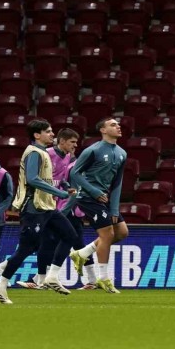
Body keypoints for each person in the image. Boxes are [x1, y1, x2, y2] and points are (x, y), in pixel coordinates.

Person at [0, 120, 91, 304]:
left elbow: (51, 179)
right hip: (33, 208)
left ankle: (51, 276)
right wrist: (59, 193)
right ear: (37, 135)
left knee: (70, 235)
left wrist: (64, 186)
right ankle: (1, 284)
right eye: (48, 131)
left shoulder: (44, 153)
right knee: (26, 248)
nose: (52, 134)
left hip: (48, 207)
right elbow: (32, 179)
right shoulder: (34, 152)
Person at [13, 128, 98, 289]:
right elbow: (46, 180)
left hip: (65, 209)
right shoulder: (49, 155)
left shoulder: (72, 163)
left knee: (60, 242)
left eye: (76, 143)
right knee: (64, 243)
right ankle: (43, 278)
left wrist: (63, 207)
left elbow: (71, 188)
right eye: (72, 142)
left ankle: (42, 279)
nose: (75, 146)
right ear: (62, 141)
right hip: (54, 207)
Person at [68, 118, 130, 294]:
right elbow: (75, 173)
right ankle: (103, 278)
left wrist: (115, 209)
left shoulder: (122, 153)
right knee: (107, 234)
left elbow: (117, 182)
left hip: (105, 198)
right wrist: (94, 191)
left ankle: (82, 253)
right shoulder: (92, 150)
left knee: (122, 232)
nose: (118, 126)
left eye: (118, 124)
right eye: (113, 125)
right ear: (103, 130)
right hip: (88, 197)